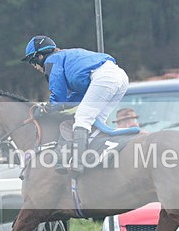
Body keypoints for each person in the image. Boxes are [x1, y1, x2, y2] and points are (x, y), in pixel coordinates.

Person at [21, 35, 129, 175]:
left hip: (105, 78)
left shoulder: (52, 61)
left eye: (31, 61)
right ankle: (99, 156)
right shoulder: (66, 58)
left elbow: (58, 96)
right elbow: (77, 97)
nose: (34, 67)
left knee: (83, 119)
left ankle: (78, 163)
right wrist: (60, 107)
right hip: (120, 77)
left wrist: (45, 109)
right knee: (96, 121)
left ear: (39, 57)